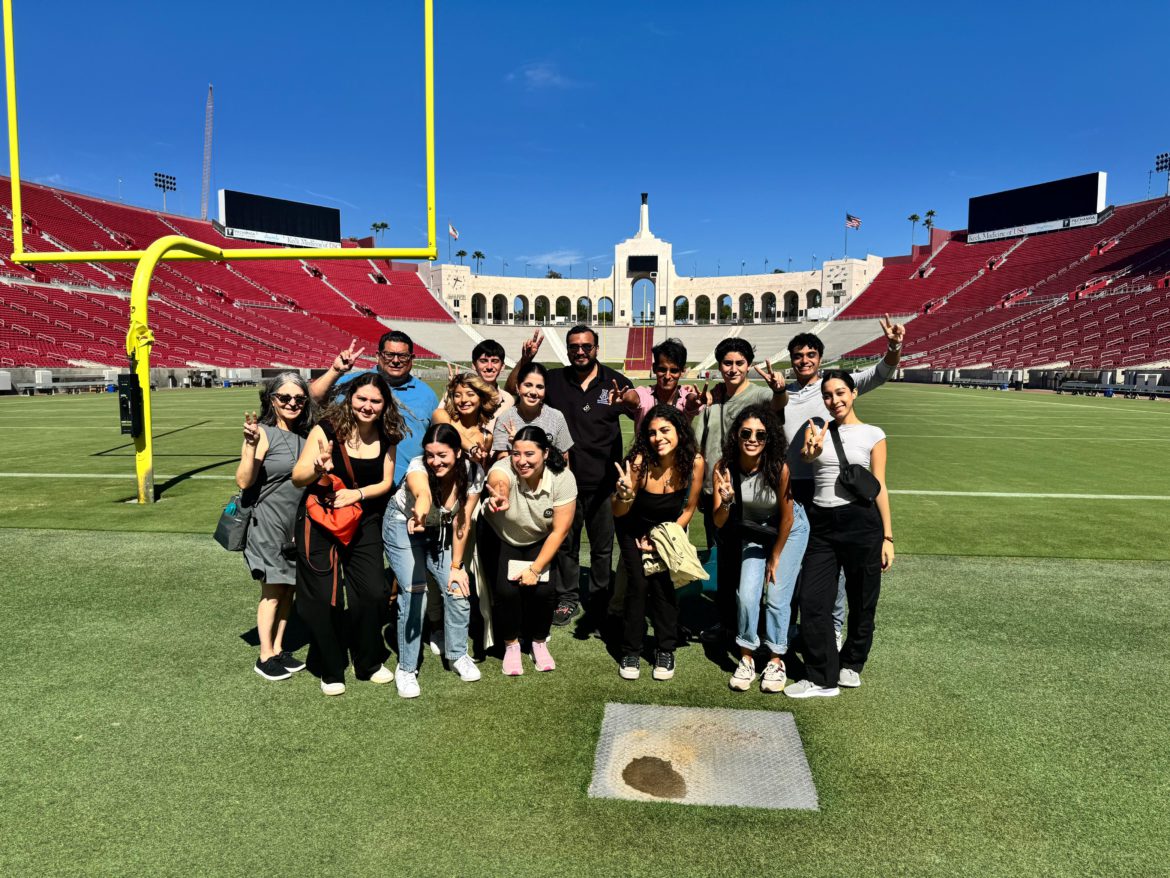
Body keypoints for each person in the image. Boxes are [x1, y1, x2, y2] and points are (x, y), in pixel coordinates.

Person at [783, 318, 905, 645]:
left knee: (831, 564)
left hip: (831, 489)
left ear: (820, 359)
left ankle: (834, 627)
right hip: (793, 488)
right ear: (791, 359)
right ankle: (795, 623)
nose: (804, 360)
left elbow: (881, 373)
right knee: (801, 562)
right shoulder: (783, 393)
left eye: (810, 354)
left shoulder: (834, 387)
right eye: (798, 355)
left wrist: (893, 347)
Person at [506, 326, 633, 630]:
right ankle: (567, 596)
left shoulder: (612, 380)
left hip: (605, 482)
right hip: (563, 481)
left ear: (596, 349)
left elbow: (633, 401)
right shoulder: (554, 379)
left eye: (586, 346)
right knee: (566, 544)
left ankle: (600, 598)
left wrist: (628, 399)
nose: (580, 351)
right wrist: (524, 361)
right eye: (574, 346)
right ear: (567, 349)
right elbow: (515, 388)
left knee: (603, 547)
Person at [291, 373, 402, 696]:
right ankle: (331, 665)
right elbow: (299, 477)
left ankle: (367, 660)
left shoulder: (388, 433)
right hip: (320, 516)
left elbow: (385, 482)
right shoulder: (325, 430)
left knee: (373, 592)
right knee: (321, 596)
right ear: (350, 398)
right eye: (362, 399)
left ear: (385, 405)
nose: (367, 406)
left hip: (364, 517)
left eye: (375, 401)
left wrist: (359, 494)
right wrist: (319, 468)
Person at [786, 370, 895, 699]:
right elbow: (806, 460)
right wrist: (810, 452)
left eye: (840, 393)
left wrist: (887, 537)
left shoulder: (874, 434)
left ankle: (852, 662)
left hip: (862, 523)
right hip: (823, 523)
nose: (834, 400)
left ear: (853, 394)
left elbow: (879, 487)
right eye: (828, 395)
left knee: (863, 601)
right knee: (813, 599)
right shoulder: (818, 431)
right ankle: (821, 676)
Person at [693, 337, 788, 639]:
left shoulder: (761, 394)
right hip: (715, 492)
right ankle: (727, 621)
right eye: (727, 363)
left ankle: (752, 618)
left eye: (739, 363)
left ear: (748, 365)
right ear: (719, 365)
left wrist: (780, 390)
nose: (733, 368)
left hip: (752, 495)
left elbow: (778, 404)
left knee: (752, 560)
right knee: (723, 560)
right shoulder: (713, 399)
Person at [711, 404, 808, 694]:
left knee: (777, 595)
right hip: (755, 530)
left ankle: (777, 659)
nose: (753, 439)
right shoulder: (724, 468)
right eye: (746, 433)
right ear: (737, 436)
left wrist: (775, 558)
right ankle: (747, 657)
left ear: (769, 439)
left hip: (788, 531)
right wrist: (726, 500)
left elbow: (789, 518)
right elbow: (719, 519)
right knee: (747, 594)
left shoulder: (779, 468)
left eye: (761, 435)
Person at [383, 424, 484, 696]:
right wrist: (421, 513)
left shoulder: (473, 472)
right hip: (403, 525)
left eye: (442, 455)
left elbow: (462, 521)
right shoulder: (418, 467)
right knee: (416, 592)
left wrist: (455, 568)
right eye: (430, 455)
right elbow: (422, 493)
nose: (435, 461)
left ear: (458, 453)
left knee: (458, 588)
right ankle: (406, 668)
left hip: (438, 530)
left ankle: (457, 654)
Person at [235, 371, 318, 681]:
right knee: (272, 589)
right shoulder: (264, 433)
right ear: (272, 400)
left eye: (298, 398)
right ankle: (264, 654)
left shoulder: (306, 436)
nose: (292, 403)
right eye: (284, 397)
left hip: (296, 524)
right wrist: (249, 446)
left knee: (289, 589)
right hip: (267, 523)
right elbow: (244, 480)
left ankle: (279, 648)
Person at [612, 405, 703, 681]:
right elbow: (618, 511)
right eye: (651, 432)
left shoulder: (694, 462)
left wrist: (663, 540)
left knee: (663, 588)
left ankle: (666, 648)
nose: (658, 438)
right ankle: (631, 649)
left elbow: (688, 509)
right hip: (632, 529)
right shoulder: (640, 461)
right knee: (638, 585)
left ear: (679, 432)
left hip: (665, 531)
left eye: (665, 430)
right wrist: (624, 494)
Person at [479, 426, 577, 675]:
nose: (521, 461)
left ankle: (539, 641)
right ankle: (511, 645)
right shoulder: (503, 468)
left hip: (539, 538)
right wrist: (500, 495)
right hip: (501, 536)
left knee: (543, 591)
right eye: (516, 453)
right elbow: (499, 480)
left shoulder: (563, 478)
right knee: (506, 592)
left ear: (545, 453)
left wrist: (535, 569)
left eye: (529, 454)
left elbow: (560, 531)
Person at [311, 330, 438, 487]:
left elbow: (435, 437)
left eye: (403, 356)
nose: (396, 361)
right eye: (389, 355)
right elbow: (313, 398)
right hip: (355, 484)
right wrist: (335, 371)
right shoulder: (356, 382)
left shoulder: (427, 395)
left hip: (406, 488)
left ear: (412, 358)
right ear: (378, 356)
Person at [615, 337, 703, 432]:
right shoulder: (645, 395)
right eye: (662, 369)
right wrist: (624, 397)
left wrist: (697, 400)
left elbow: (691, 400)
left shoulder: (685, 397)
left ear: (682, 371)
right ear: (654, 368)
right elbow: (634, 397)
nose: (668, 376)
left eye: (674, 371)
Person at [491, 361, 573, 461]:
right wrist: (516, 446)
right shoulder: (505, 418)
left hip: (549, 475)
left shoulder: (556, 417)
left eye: (539, 387)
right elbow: (501, 461)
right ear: (518, 387)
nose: (533, 392)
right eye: (528, 385)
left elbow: (564, 459)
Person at [431, 370, 498, 469]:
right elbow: (450, 432)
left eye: (470, 394)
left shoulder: (486, 437)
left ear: (482, 398)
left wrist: (479, 459)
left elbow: (481, 470)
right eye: (457, 395)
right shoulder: (440, 415)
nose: (463, 400)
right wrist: (472, 449)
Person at [470, 339, 514, 419]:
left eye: (495, 361)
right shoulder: (460, 395)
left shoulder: (508, 400)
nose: (489, 367)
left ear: (503, 366)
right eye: (483, 361)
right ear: (474, 365)